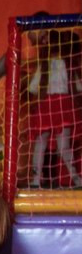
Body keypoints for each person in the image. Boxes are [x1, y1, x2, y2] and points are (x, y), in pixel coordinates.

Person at [26, 26, 82, 188]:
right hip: (61, 104)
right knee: (61, 146)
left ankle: (37, 179)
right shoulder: (66, 64)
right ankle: (76, 178)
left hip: (48, 104)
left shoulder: (47, 65)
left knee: (41, 143)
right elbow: (78, 86)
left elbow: (33, 87)